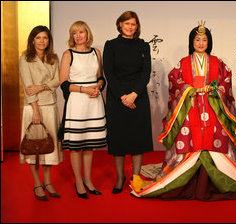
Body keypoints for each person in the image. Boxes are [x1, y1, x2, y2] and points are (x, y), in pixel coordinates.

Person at [130, 21, 236, 201]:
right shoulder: (183, 63)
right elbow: (175, 81)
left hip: (212, 108)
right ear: (192, 41)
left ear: (209, 42)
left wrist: (215, 89)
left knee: (215, 140)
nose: (201, 43)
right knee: (190, 141)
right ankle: (187, 181)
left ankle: (217, 181)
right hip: (190, 109)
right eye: (197, 39)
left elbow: (225, 82)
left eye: (204, 40)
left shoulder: (217, 62)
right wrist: (189, 89)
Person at [103, 11, 153, 194]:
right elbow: (109, 72)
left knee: (137, 139)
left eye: (134, 24)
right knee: (119, 139)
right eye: (127, 24)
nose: (130, 27)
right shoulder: (111, 45)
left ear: (137, 27)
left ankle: (137, 176)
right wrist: (123, 96)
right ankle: (119, 178)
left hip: (138, 96)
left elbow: (145, 73)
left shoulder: (143, 45)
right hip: (117, 97)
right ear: (120, 25)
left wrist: (133, 94)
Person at [59, 21, 106, 199]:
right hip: (77, 102)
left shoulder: (96, 52)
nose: (78, 36)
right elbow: (63, 83)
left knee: (89, 145)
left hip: (94, 101)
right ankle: (78, 181)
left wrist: (99, 86)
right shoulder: (67, 54)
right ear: (71, 37)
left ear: (87, 34)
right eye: (74, 33)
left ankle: (88, 180)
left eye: (81, 32)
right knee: (76, 146)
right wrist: (84, 89)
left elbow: (100, 76)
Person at [19, 25, 64, 201]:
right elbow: (28, 87)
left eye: (45, 38)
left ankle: (48, 182)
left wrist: (43, 86)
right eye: (38, 38)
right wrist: (36, 111)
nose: (42, 41)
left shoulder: (53, 58)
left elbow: (57, 80)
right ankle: (37, 184)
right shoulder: (25, 58)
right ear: (32, 40)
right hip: (33, 108)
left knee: (48, 146)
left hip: (51, 106)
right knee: (34, 147)